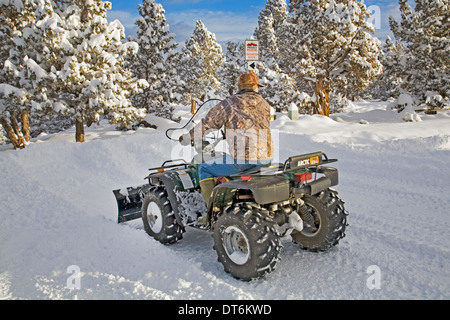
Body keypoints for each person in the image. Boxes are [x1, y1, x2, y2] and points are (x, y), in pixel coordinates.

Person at [179, 72, 274, 208]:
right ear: (255, 88)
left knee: (204, 169)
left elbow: (208, 123)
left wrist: (189, 137)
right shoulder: (265, 104)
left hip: (244, 161)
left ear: (240, 87)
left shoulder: (230, 103)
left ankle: (212, 210)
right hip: (266, 159)